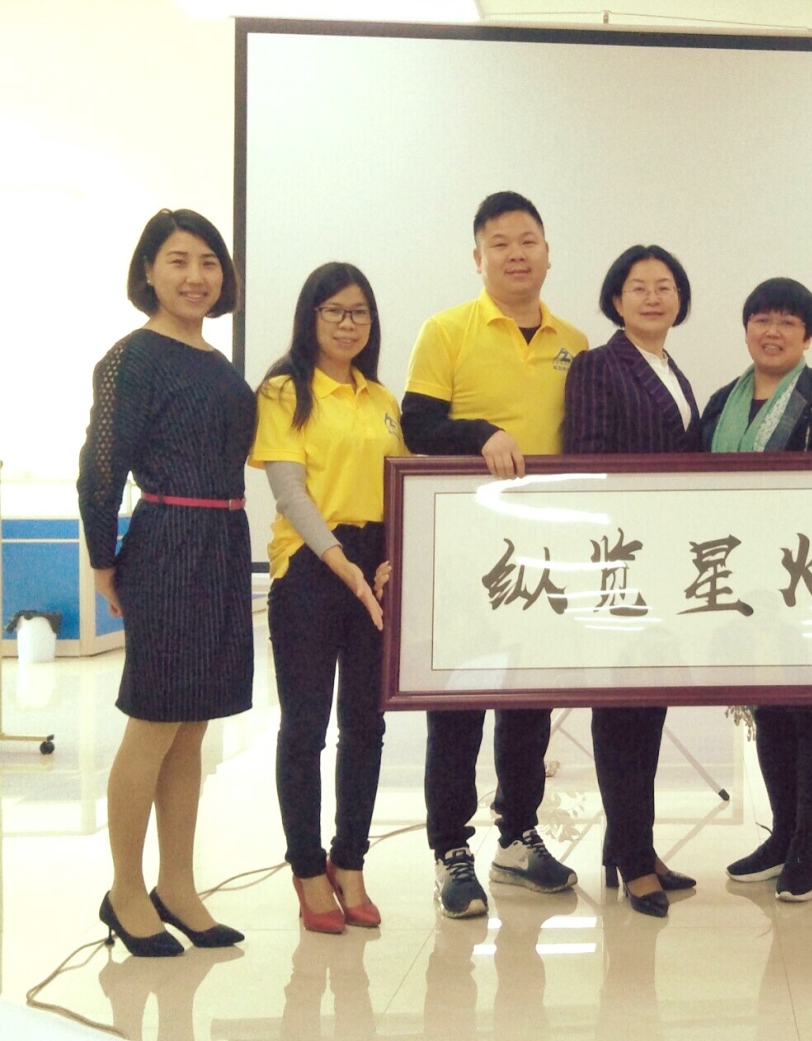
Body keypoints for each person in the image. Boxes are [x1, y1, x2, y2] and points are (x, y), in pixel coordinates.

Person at [402, 191, 585, 917]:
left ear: (547, 253)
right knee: (460, 698)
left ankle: (517, 837)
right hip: (468, 546)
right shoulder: (446, 330)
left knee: (529, 700)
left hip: (547, 546)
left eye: (528, 241)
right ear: (477, 257)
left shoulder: (575, 341)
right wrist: (480, 433)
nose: (516, 254)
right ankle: (451, 849)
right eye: (500, 243)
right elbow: (417, 423)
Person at [77, 209, 254, 956]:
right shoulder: (132, 357)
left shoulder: (216, 362)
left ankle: (176, 884)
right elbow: (99, 467)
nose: (195, 276)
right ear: (148, 270)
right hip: (167, 543)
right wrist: (104, 559)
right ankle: (125, 889)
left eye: (208, 261)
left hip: (223, 541)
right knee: (153, 722)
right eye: (178, 260)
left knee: (192, 726)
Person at [250, 262, 403, 933]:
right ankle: (308, 869)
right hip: (311, 569)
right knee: (306, 728)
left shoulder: (382, 398)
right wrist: (344, 567)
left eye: (359, 312)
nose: (348, 323)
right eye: (334, 310)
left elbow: (400, 485)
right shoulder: (285, 390)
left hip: (373, 570)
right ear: (310, 316)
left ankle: (351, 862)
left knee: (366, 725)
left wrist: (391, 560)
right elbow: (290, 493)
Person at [701, 277, 812, 902]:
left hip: (804, 576)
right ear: (746, 329)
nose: (773, 331)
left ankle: (807, 848)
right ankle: (781, 835)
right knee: (768, 705)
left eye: (788, 323)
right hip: (740, 580)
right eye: (762, 319)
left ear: (807, 337)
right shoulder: (720, 403)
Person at [563, 244, 702, 917]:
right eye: (638, 286)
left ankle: (633, 846)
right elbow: (589, 464)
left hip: (667, 563)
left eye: (664, 286)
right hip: (621, 561)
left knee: (649, 707)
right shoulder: (597, 365)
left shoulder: (673, 370)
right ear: (616, 300)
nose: (652, 296)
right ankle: (633, 858)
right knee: (622, 710)